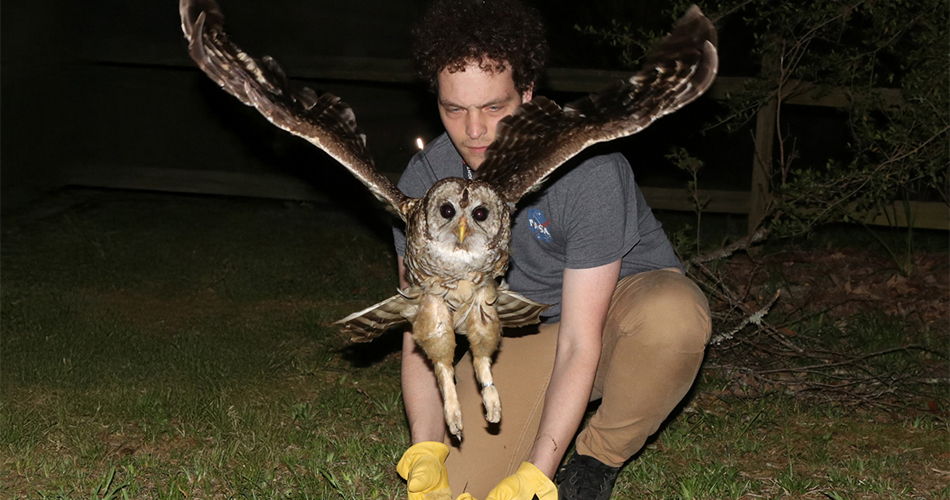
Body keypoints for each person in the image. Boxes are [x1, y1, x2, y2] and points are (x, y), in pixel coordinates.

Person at [392, 1, 711, 499]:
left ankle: (594, 458)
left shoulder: (587, 169)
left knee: (673, 317)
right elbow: (421, 329)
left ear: (527, 92)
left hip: (614, 321)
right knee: (463, 487)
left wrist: (540, 471)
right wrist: (425, 447)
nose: (474, 130)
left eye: (494, 107)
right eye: (455, 109)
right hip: (520, 333)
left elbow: (581, 340)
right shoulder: (426, 182)